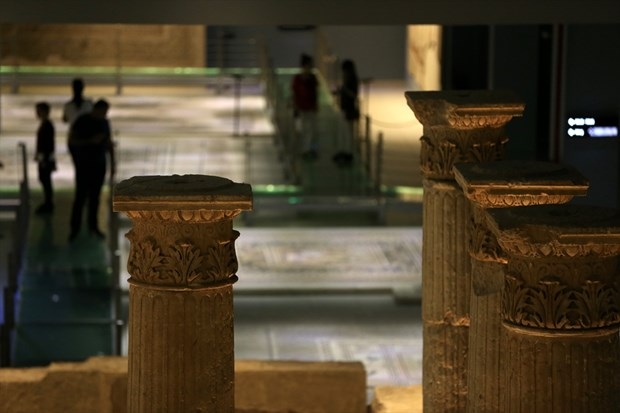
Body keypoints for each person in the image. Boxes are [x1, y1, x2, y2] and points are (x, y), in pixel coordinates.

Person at [68, 99, 115, 242]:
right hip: (84, 164)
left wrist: (113, 164)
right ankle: (75, 228)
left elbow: (108, 143)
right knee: (80, 197)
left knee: (95, 197)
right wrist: (90, 141)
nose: (105, 115)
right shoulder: (82, 121)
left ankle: (93, 226)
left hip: (99, 164)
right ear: (97, 109)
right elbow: (72, 141)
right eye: (104, 112)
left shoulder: (104, 123)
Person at [291, 53, 319, 160]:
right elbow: (295, 93)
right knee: (303, 130)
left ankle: (311, 150)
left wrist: (316, 105)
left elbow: (315, 93)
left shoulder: (312, 78)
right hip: (301, 108)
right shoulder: (298, 79)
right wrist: (295, 106)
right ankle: (304, 150)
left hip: (310, 108)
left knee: (312, 130)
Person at [333, 59, 360, 166]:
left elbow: (354, 95)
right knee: (343, 132)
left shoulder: (353, 80)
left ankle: (348, 154)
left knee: (348, 133)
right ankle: (343, 152)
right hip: (344, 109)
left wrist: (344, 89)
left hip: (349, 109)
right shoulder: (347, 80)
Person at [34, 101, 56, 214]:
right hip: (45, 157)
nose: (37, 113)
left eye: (39, 111)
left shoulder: (47, 125)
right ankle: (48, 202)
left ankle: (48, 203)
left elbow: (48, 145)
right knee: (45, 179)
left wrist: (45, 159)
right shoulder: (45, 124)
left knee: (45, 179)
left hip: (45, 157)